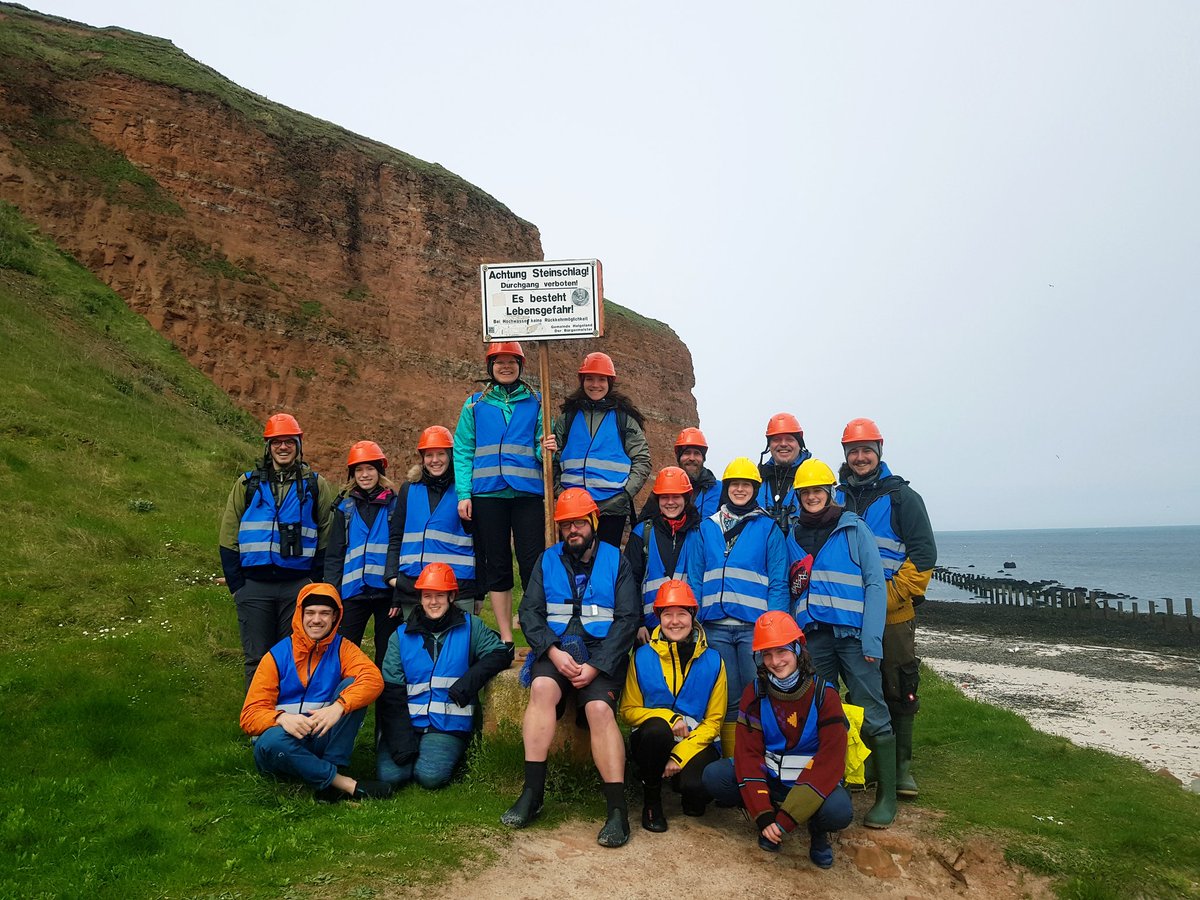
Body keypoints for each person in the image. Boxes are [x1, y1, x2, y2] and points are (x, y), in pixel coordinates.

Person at [501, 488, 641, 848]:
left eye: (579, 522)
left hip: (601, 653)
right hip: (558, 648)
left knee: (597, 709)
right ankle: (532, 794)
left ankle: (616, 811)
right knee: (542, 688)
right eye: (566, 525)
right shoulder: (548, 561)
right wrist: (551, 650)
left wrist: (596, 667)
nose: (572, 530)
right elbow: (530, 611)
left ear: (593, 522)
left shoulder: (617, 561)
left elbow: (627, 620)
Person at [786, 458, 895, 828]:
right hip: (814, 639)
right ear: (798, 495)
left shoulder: (853, 529)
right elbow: (791, 590)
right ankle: (833, 784)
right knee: (822, 713)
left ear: (831, 491)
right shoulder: (792, 535)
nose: (812, 497)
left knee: (872, 709)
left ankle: (887, 797)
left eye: (818, 490)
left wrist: (872, 639)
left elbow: (875, 584)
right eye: (806, 492)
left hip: (853, 638)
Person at [701, 611, 853, 868]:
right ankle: (768, 817)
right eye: (767, 654)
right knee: (714, 777)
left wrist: (785, 821)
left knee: (839, 811)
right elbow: (748, 756)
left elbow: (830, 762)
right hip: (771, 779)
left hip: (812, 779)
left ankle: (817, 831)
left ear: (797, 650)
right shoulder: (755, 692)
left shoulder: (825, 696)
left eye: (782, 651)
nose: (775, 661)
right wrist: (764, 815)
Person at [836, 418, 937, 801]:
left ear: (879, 451)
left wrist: (893, 594)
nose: (860, 457)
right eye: (853, 451)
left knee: (899, 683)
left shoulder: (902, 498)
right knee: (863, 687)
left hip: (893, 611)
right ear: (846, 455)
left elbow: (924, 554)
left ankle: (901, 767)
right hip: (847, 611)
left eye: (866, 450)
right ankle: (868, 760)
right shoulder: (836, 495)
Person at [239, 582, 392, 802]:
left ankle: (332, 765)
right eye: (310, 612)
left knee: (353, 685)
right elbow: (249, 716)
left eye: (324, 613)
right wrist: (281, 719)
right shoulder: (276, 656)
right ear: (300, 615)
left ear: (335, 617)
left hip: (320, 737)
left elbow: (373, 679)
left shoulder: (343, 648)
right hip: (282, 744)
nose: (317, 619)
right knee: (271, 741)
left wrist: (339, 707)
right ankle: (342, 783)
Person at [220, 413, 337, 689]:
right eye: (276, 443)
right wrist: (238, 585)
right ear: (268, 447)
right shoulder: (247, 484)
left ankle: (287, 716)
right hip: (254, 586)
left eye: (289, 442)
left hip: (296, 585)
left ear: (298, 445)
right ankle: (258, 721)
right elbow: (228, 534)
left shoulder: (315, 485)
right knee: (257, 658)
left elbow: (326, 538)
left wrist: (314, 583)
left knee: (293, 653)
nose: (283, 447)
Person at [375, 563, 511, 790]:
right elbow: (391, 691)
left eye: (440, 595)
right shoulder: (400, 635)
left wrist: (467, 684)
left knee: (429, 777)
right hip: (407, 720)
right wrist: (401, 739)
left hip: (449, 724)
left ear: (451, 597)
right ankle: (408, 748)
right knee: (391, 777)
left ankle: (449, 751)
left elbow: (499, 654)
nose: (433, 602)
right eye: (427, 596)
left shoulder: (471, 627)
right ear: (420, 598)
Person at [453, 342, 545, 644]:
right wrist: (464, 494)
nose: (506, 367)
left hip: (527, 494)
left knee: (533, 562)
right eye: (499, 362)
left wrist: (547, 451)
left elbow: (540, 447)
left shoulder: (537, 402)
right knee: (498, 563)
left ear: (521, 365)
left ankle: (533, 631)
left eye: (512, 362)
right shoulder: (474, 404)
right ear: (490, 367)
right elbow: (464, 449)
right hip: (487, 494)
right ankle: (506, 637)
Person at [697, 457, 789, 755]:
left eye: (746, 485)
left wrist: (773, 630)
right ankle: (734, 764)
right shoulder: (707, 528)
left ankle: (768, 758)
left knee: (762, 692)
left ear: (755, 489)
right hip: (714, 627)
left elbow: (778, 582)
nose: (739, 489)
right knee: (727, 697)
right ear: (726, 488)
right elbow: (695, 577)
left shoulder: (768, 528)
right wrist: (695, 621)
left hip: (754, 629)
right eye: (734, 484)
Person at [621, 580, 726, 832]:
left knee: (695, 791)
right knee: (657, 729)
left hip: (696, 741)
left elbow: (714, 720)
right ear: (658, 617)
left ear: (693, 617)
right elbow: (627, 711)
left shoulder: (714, 660)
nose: (675, 621)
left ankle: (682, 783)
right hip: (653, 738)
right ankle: (652, 802)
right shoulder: (642, 656)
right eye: (667, 614)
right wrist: (669, 718)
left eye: (682, 614)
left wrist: (680, 756)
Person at [545, 351, 651, 547]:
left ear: (610, 382)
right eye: (590, 379)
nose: (595, 385)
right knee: (572, 564)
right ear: (582, 381)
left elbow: (642, 460)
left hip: (612, 508)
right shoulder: (567, 418)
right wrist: (560, 492)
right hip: (572, 507)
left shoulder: (624, 418)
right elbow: (552, 459)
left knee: (605, 564)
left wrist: (624, 495)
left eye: (601, 379)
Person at [387, 426, 476, 624]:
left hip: (458, 589)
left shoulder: (465, 491)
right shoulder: (408, 489)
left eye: (441, 454)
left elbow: (480, 541)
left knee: (459, 649)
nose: (435, 460)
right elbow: (396, 536)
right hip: (414, 587)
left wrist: (478, 593)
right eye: (429, 455)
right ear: (422, 458)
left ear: (451, 456)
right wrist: (393, 577)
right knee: (415, 651)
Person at [325, 440, 398, 666]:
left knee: (387, 658)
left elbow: (401, 551)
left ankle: (387, 702)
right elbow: (334, 555)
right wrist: (332, 593)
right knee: (344, 656)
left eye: (370, 469)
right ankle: (349, 700)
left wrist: (399, 594)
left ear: (379, 471)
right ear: (352, 474)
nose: (364, 475)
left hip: (387, 594)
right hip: (352, 594)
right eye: (359, 470)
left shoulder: (395, 506)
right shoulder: (344, 509)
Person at [625, 466, 705, 643]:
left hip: (689, 626)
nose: (670, 502)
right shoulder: (642, 533)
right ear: (657, 499)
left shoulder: (700, 534)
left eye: (676, 496)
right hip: (650, 629)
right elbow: (630, 582)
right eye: (665, 497)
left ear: (686, 498)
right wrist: (638, 623)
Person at [638, 428, 721, 519]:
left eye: (697, 453)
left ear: (703, 458)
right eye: (687, 453)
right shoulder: (664, 487)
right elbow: (643, 524)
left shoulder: (719, 490)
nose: (692, 458)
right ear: (679, 457)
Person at [757, 413, 812, 535]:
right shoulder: (756, 478)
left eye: (789, 439)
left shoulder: (814, 476)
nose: (783, 444)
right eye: (776, 439)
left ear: (800, 444)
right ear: (769, 445)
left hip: (800, 551)